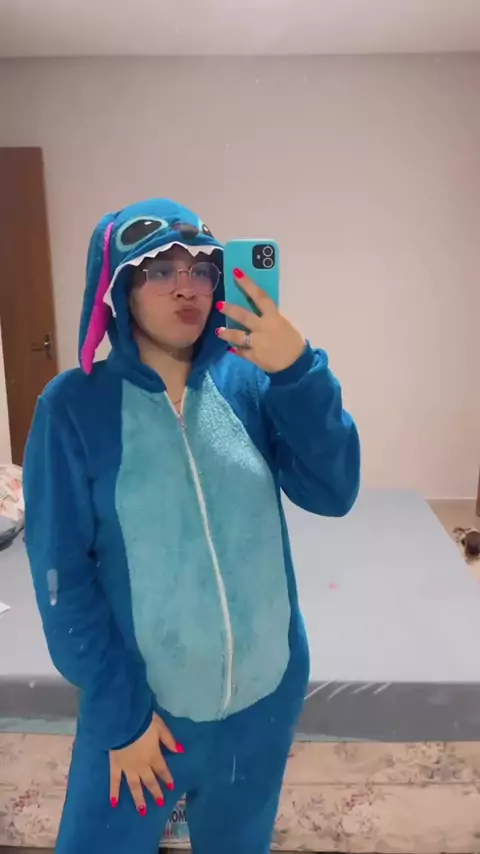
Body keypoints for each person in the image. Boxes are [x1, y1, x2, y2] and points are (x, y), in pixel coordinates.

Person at [23, 198, 360, 854]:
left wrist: (298, 371)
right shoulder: (72, 407)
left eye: (202, 269)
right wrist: (120, 719)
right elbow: (62, 576)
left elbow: (334, 490)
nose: (187, 286)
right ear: (119, 286)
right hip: (145, 715)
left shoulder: (252, 384)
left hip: (262, 703)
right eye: (160, 270)